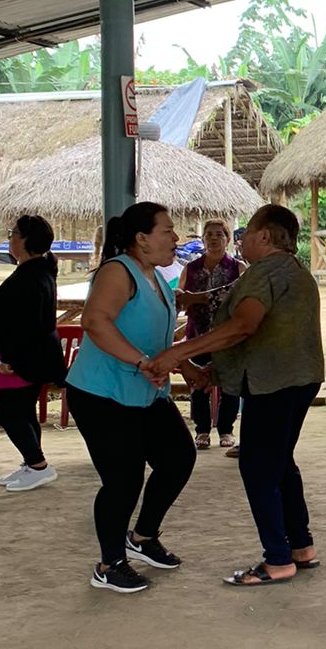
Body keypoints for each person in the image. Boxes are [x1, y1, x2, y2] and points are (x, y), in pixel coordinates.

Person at [147, 205, 325, 587]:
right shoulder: (297, 272)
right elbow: (268, 336)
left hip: (273, 384)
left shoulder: (262, 272)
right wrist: (213, 371)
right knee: (280, 463)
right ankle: (301, 546)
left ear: (265, 236)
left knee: (258, 469)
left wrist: (179, 352)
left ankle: (277, 559)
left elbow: (244, 326)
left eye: (247, 235)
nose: (241, 242)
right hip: (297, 379)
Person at [67, 203, 201, 594]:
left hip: (145, 391)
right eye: (168, 230)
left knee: (178, 458)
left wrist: (185, 365)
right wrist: (141, 361)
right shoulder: (117, 271)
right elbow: (94, 322)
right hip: (102, 393)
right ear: (141, 238)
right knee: (123, 479)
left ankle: (141, 538)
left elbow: (156, 336)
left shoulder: (155, 275)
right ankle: (109, 564)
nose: (176, 238)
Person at [0, 214, 66, 491]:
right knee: (23, 410)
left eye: (13, 234)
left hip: (24, 356)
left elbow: (29, 323)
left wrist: (10, 358)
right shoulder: (36, 269)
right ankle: (32, 464)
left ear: (25, 240)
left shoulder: (32, 275)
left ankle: (39, 465)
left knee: (7, 411)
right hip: (26, 354)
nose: (10, 239)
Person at [176, 218, 243, 450]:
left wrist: (198, 298)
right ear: (203, 239)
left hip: (227, 336)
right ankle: (202, 430)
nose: (214, 238)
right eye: (209, 235)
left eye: (219, 234)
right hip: (198, 335)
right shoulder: (191, 268)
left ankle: (226, 430)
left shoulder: (237, 268)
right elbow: (181, 296)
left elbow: (238, 299)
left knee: (229, 384)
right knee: (198, 383)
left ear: (227, 239)